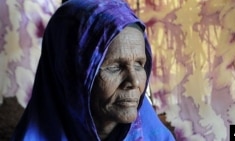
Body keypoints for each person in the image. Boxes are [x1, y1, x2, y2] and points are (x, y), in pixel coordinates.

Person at [11, 0, 175, 140]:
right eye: (114, 67)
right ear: (69, 74)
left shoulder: (155, 136)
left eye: (139, 64)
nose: (134, 82)